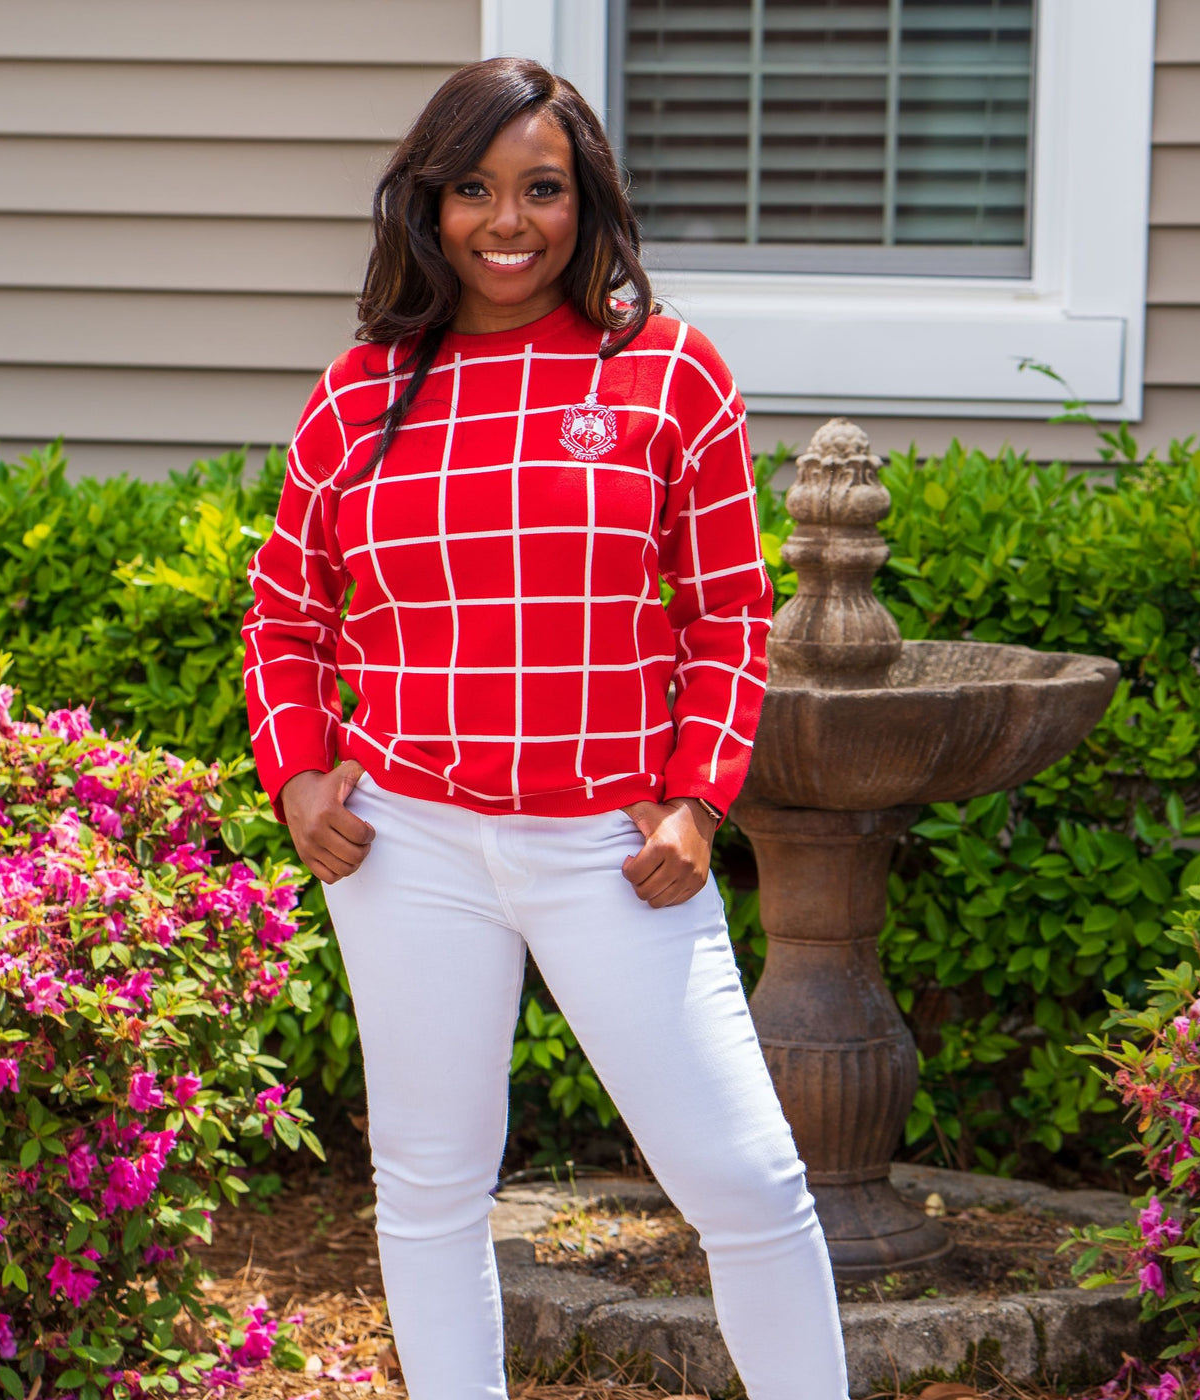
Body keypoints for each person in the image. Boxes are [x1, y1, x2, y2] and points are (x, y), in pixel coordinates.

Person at [242, 56, 849, 1400]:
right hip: (410, 852)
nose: (506, 221)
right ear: (429, 206)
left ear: (589, 203)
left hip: (611, 847)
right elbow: (284, 620)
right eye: (473, 188)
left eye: (541, 189)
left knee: (746, 1179)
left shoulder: (666, 374)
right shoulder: (360, 394)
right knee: (431, 1184)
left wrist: (700, 801)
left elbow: (730, 614)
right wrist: (298, 777)